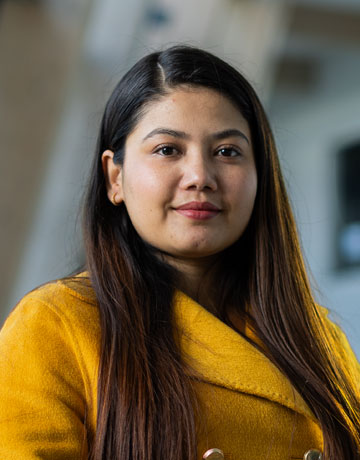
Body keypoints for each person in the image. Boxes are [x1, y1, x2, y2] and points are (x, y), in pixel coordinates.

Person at [0, 45, 359, 460]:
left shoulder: (317, 337)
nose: (200, 177)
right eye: (168, 149)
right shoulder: (54, 326)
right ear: (114, 177)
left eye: (227, 152)